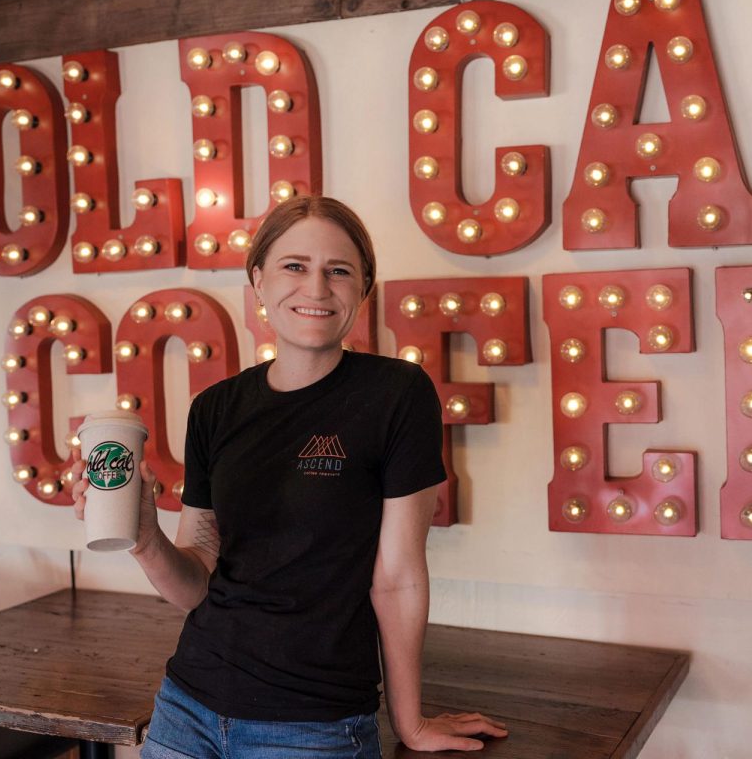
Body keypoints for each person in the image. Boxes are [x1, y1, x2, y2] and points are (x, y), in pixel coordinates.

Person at [72, 196, 508, 758]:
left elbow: (397, 577)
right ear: (258, 281)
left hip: (313, 725)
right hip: (186, 707)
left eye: (339, 271)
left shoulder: (395, 395)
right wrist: (145, 535)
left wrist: (409, 721)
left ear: (364, 289)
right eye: (294, 266)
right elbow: (195, 582)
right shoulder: (214, 409)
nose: (317, 288)